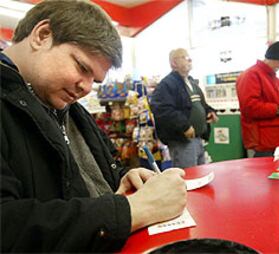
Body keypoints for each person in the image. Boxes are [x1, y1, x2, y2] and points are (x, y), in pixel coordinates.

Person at [0, 0, 187, 252]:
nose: (87, 87)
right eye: (82, 67)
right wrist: (134, 210)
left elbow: (96, 176)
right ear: (42, 36)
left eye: (94, 80)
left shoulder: (70, 110)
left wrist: (125, 178)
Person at [150, 48, 218, 168]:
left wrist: (209, 111)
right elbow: (162, 109)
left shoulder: (191, 82)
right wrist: (184, 126)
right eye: (184, 58)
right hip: (182, 142)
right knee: (188, 178)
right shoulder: (167, 84)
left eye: (189, 57)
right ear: (174, 63)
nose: (189, 60)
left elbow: (200, 103)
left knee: (200, 174)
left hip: (198, 139)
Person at [236, 41, 279, 157]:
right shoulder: (251, 75)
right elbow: (249, 107)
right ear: (272, 58)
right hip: (265, 143)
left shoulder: (275, 80)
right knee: (264, 174)